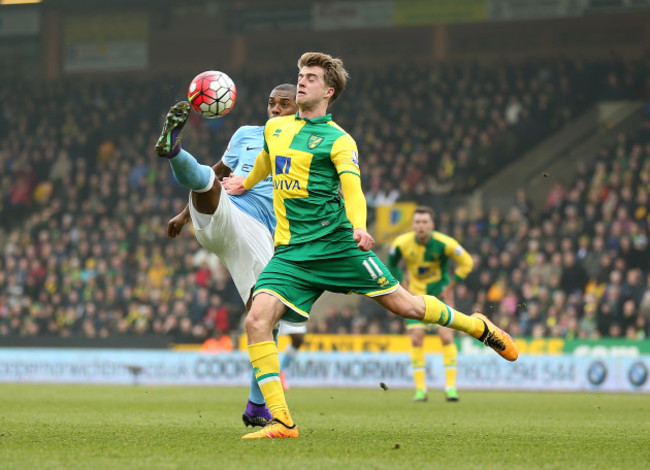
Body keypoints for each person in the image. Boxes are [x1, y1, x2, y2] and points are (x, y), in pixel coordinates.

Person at [223, 51, 517, 440]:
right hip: (292, 253)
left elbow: (353, 190)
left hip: (336, 246)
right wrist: (244, 183)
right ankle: (282, 421)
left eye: (311, 77)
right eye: (301, 74)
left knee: (407, 306)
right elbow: (266, 160)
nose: (301, 81)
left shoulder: (339, 141)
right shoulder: (274, 129)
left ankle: (478, 326)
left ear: (328, 91)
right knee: (256, 321)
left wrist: (360, 227)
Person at [155, 83, 306, 429]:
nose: (276, 109)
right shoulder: (244, 135)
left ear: (297, 109)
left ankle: (256, 405)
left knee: (266, 318)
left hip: (262, 234)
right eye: (271, 103)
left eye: (284, 104)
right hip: (228, 215)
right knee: (207, 179)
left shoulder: (306, 140)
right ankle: (174, 150)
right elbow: (220, 172)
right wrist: (182, 216)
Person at [386, 206, 473, 403]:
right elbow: (391, 264)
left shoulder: (444, 243)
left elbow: (467, 262)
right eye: (417, 222)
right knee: (416, 339)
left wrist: (450, 287)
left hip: (440, 295)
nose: (421, 226)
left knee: (446, 337)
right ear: (412, 225)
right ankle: (420, 390)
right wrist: (404, 285)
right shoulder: (401, 243)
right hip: (414, 296)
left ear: (432, 225)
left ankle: (450, 388)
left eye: (425, 222)